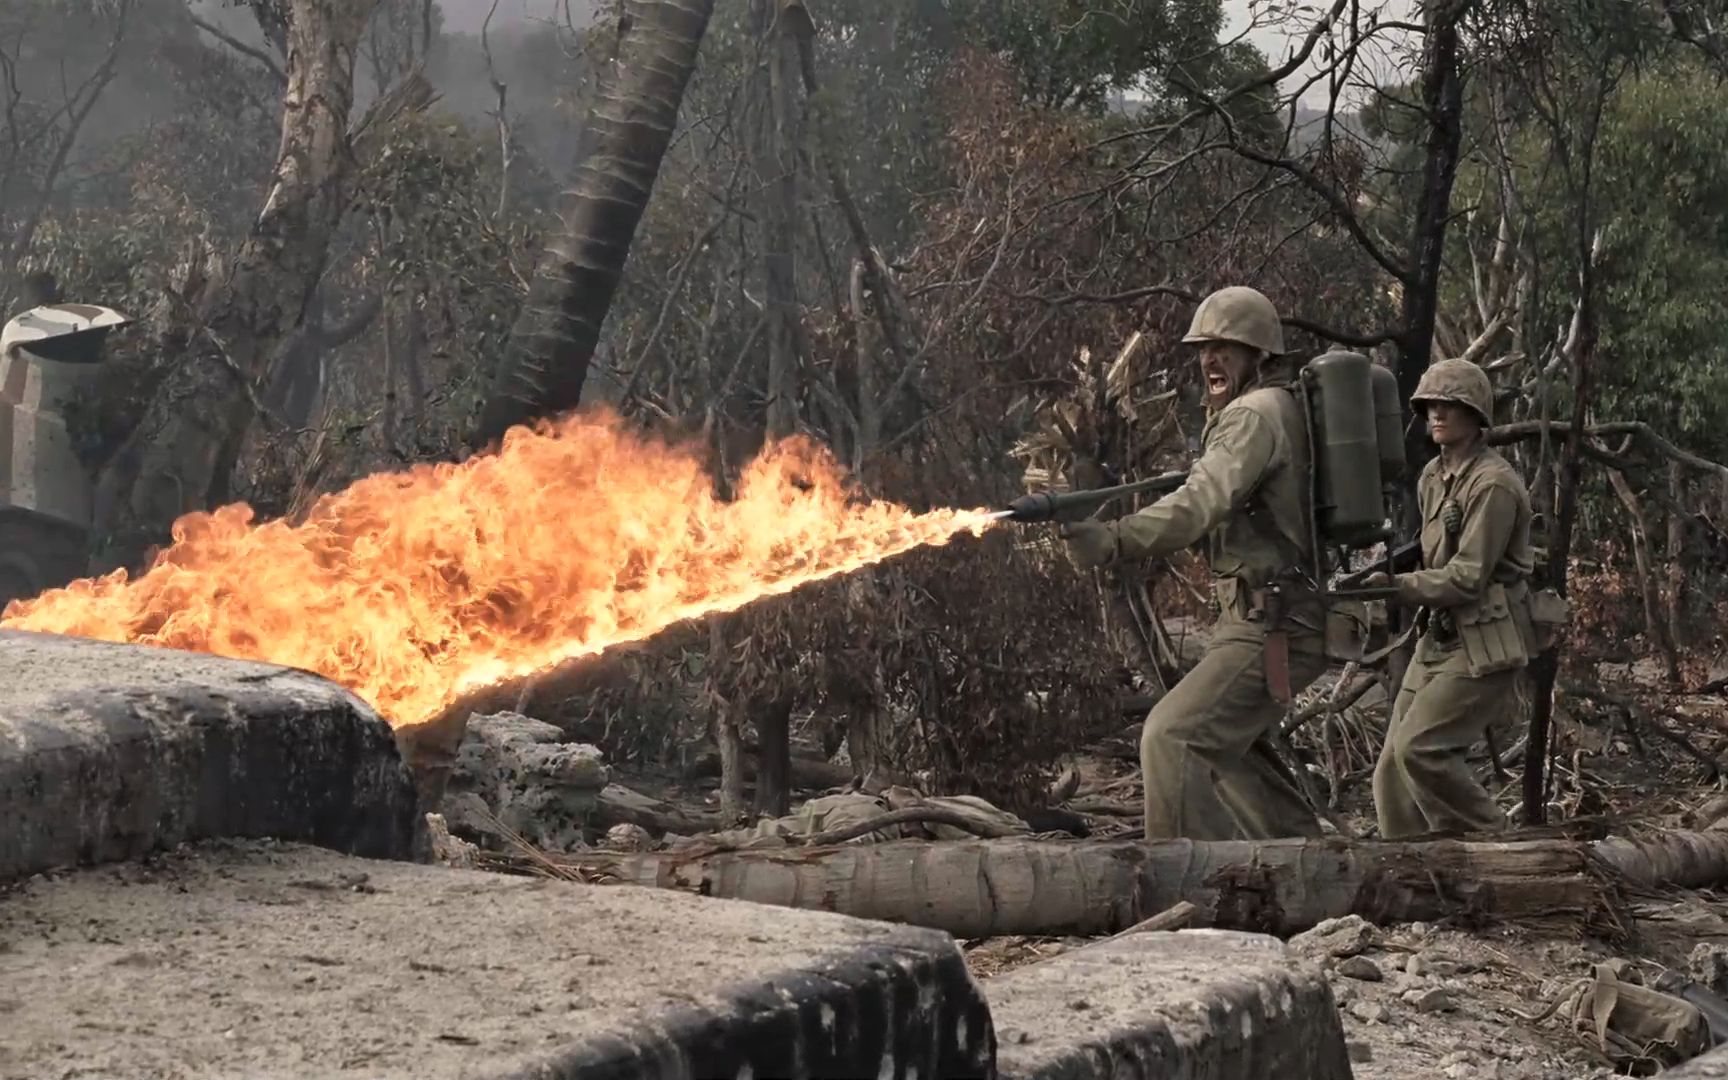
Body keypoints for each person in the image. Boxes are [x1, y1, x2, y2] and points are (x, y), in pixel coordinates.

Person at [1062, 285, 1325, 841]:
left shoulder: (1253, 415)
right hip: (1269, 616)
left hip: (1271, 621)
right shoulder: (1267, 410)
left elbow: (1199, 504)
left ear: (1260, 354)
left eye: (1225, 346)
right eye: (1204, 347)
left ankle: (1187, 885)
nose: (1210, 358)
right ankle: (1316, 866)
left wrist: (1113, 538)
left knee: (1171, 737)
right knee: (1231, 754)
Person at [1364, 357, 1535, 839]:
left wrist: (1397, 587)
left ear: (1476, 415)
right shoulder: (1432, 478)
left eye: (1450, 405)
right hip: (1439, 635)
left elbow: (1467, 578)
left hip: (1486, 637)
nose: (1437, 415)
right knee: (1391, 772)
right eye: (1431, 405)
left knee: (1422, 749)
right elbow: (1430, 553)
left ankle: (1495, 851)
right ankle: (1414, 871)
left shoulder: (1494, 484)